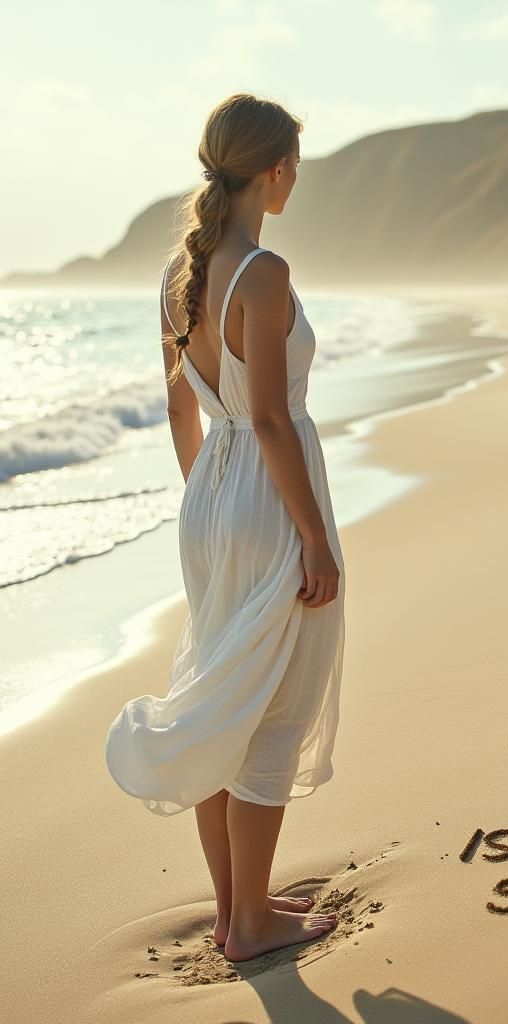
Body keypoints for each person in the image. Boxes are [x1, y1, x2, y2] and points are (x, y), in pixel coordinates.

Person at [105, 93, 345, 962]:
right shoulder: (263, 273)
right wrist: (313, 538)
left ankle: (234, 905)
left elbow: (181, 405)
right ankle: (250, 923)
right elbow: (274, 420)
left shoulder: (179, 273)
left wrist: (210, 493)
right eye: (295, 165)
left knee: (220, 695)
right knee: (275, 707)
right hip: (265, 497)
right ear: (275, 169)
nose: (295, 180)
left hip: (209, 500)